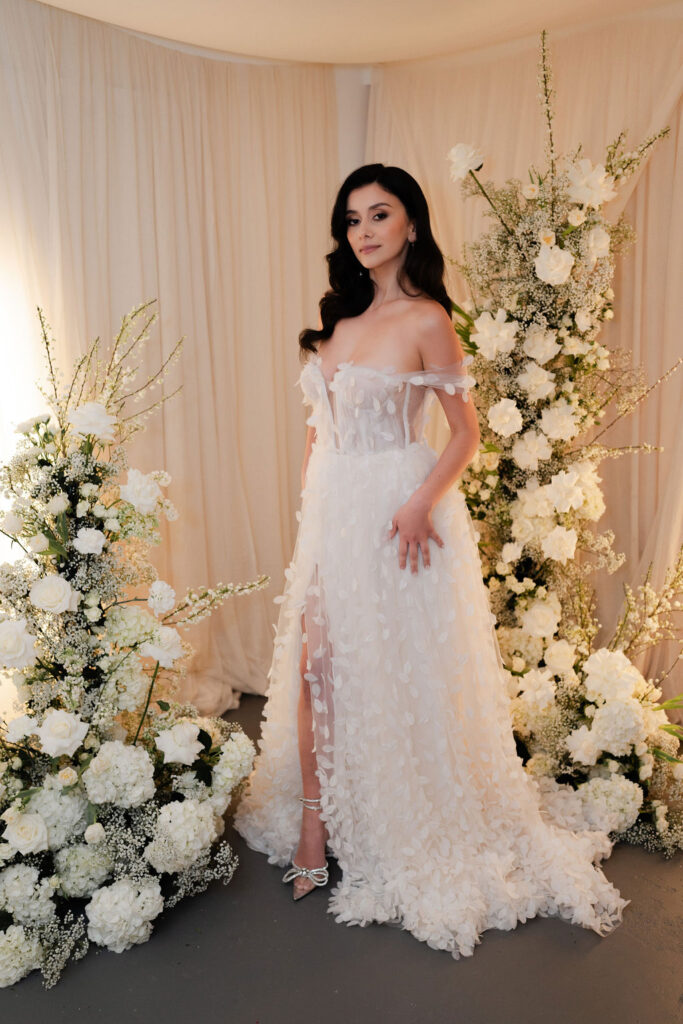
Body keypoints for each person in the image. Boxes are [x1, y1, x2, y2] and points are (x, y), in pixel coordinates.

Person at [233, 163, 629, 958]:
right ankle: (315, 817)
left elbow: (465, 433)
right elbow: (318, 434)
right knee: (318, 667)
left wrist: (417, 504)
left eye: (380, 215)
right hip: (335, 511)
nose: (364, 231)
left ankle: (394, 810)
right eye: (351, 219)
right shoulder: (335, 319)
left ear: (411, 224)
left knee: (389, 668)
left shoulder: (426, 319)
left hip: (396, 508)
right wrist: (312, 523)